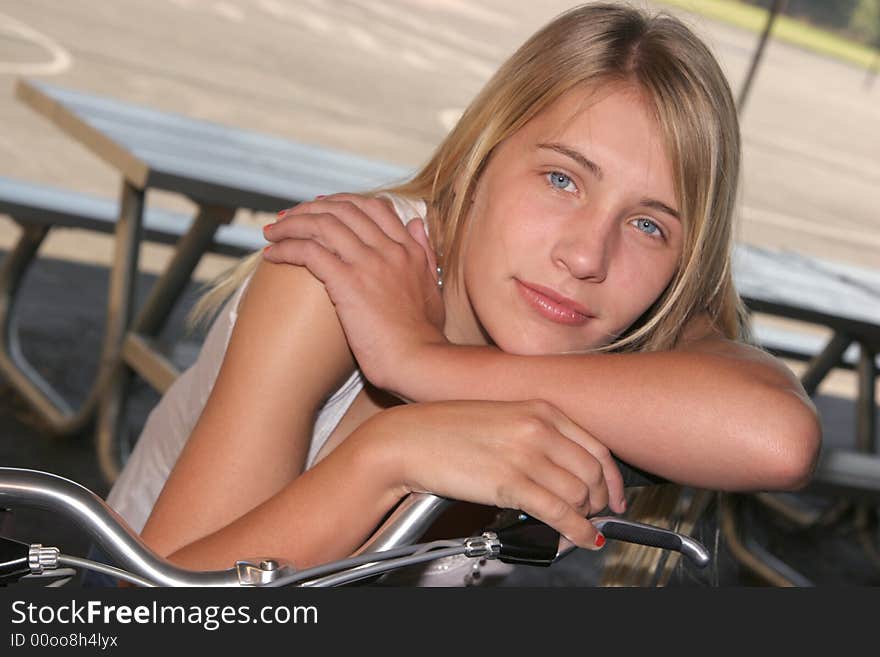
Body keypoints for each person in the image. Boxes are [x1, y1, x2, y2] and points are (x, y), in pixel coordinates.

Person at [104, 2, 820, 586]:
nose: (585, 256)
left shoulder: (631, 326)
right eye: (562, 179)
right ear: (483, 154)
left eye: (647, 224)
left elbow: (779, 437)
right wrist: (388, 453)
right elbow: (157, 608)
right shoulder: (342, 275)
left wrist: (420, 364)